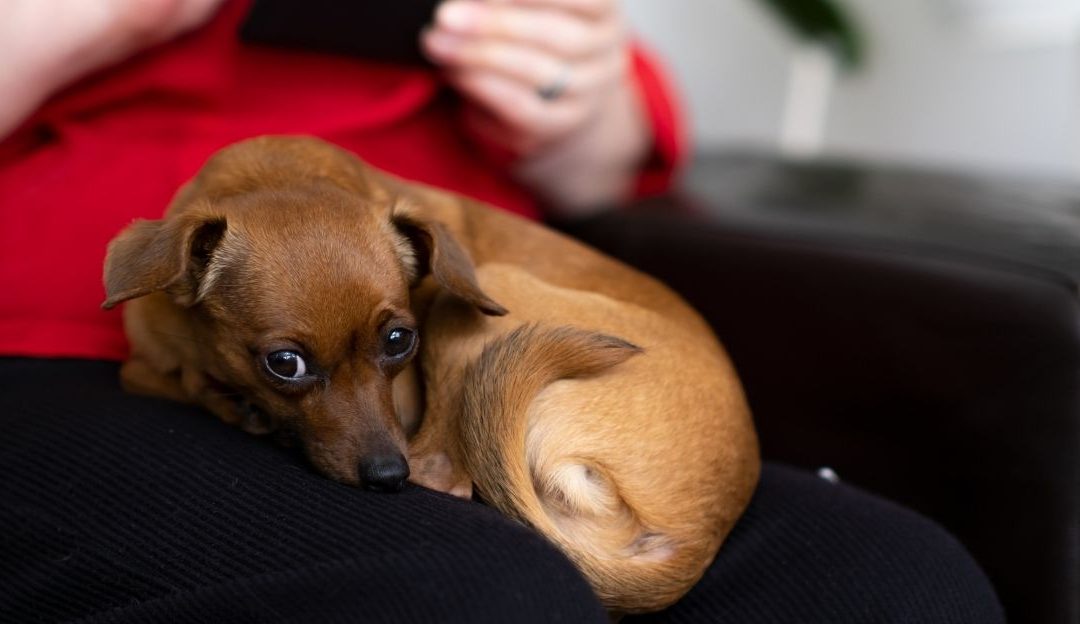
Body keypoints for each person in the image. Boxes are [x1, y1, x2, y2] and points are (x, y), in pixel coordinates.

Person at [0, 1, 1004, 621]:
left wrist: (571, 102)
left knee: (896, 581)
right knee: (475, 597)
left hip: (490, 346)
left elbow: (614, 151)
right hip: (58, 348)